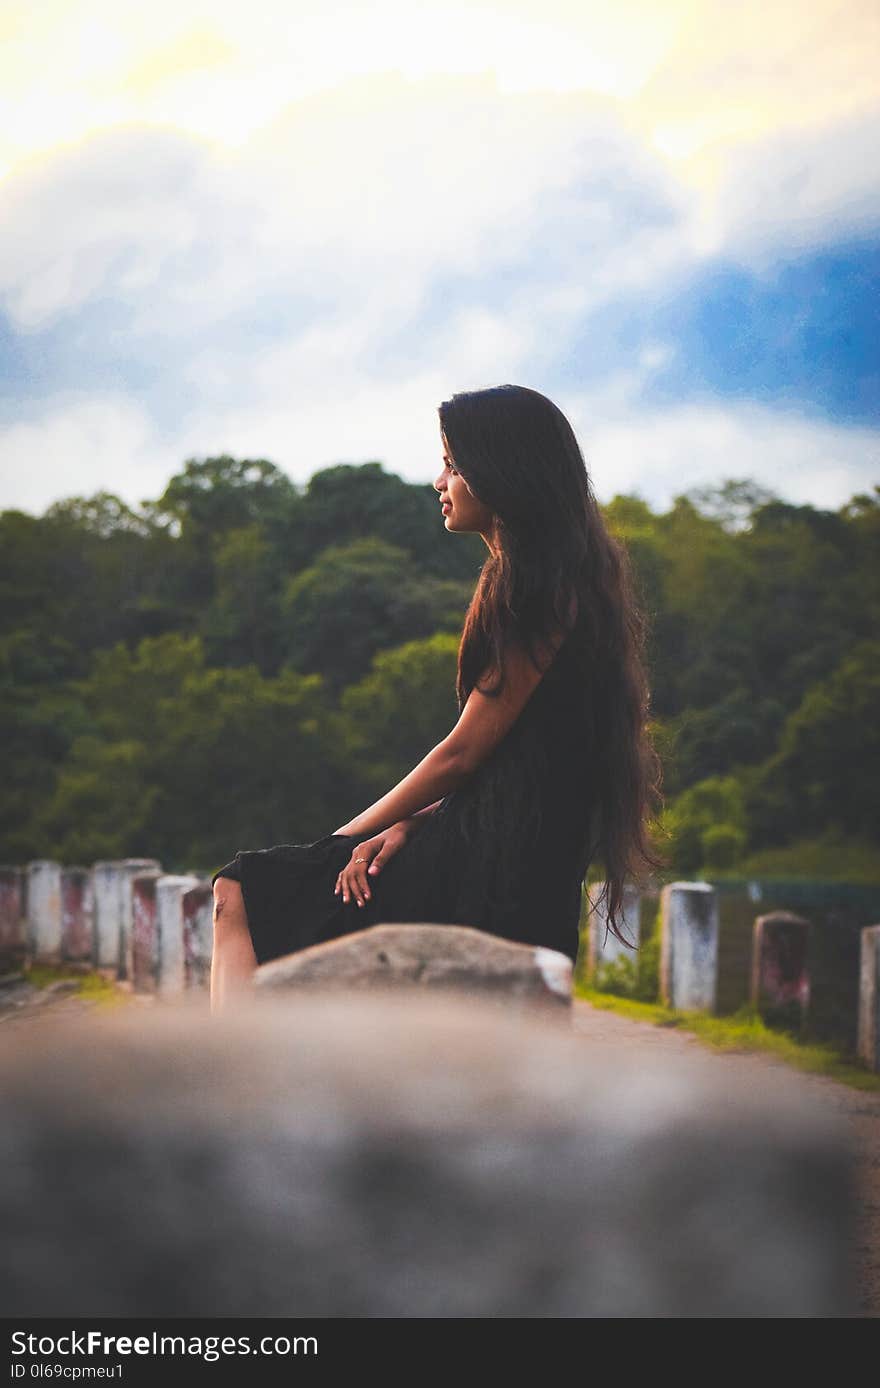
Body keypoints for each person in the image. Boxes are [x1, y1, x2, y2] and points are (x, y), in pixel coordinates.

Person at [210, 383, 664, 1012]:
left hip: (496, 867)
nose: (438, 480)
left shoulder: (535, 595)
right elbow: (512, 756)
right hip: (494, 845)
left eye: (453, 463)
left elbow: (463, 753)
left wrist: (342, 839)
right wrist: (408, 823)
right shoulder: (555, 584)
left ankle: (226, 1085)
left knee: (240, 890)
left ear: (500, 473)